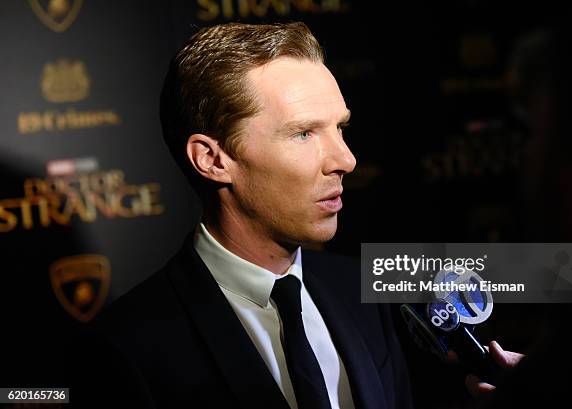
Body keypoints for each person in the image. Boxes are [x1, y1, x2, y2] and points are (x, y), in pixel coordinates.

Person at [68, 22, 413, 409]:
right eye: (303, 134)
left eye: (340, 128)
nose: (346, 160)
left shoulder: (364, 291)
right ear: (212, 160)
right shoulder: (129, 347)